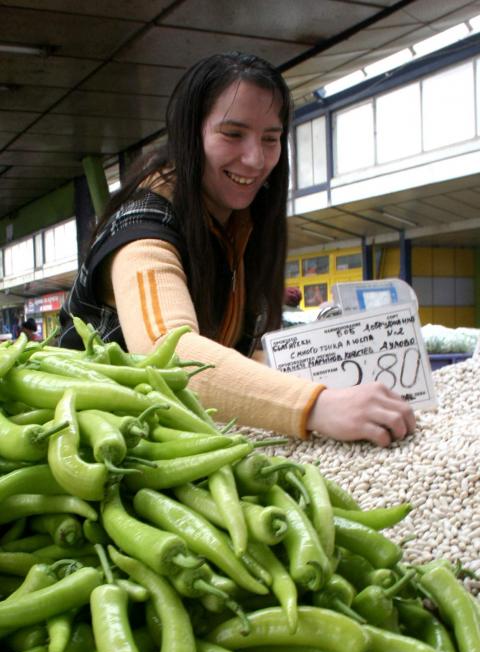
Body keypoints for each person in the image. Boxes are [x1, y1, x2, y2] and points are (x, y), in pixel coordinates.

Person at [59, 51, 415, 447]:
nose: (255, 159)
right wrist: (319, 406)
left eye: (271, 138)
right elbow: (169, 355)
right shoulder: (143, 233)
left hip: (171, 435)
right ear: (190, 134)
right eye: (232, 134)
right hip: (99, 442)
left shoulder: (236, 222)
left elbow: (231, 351)